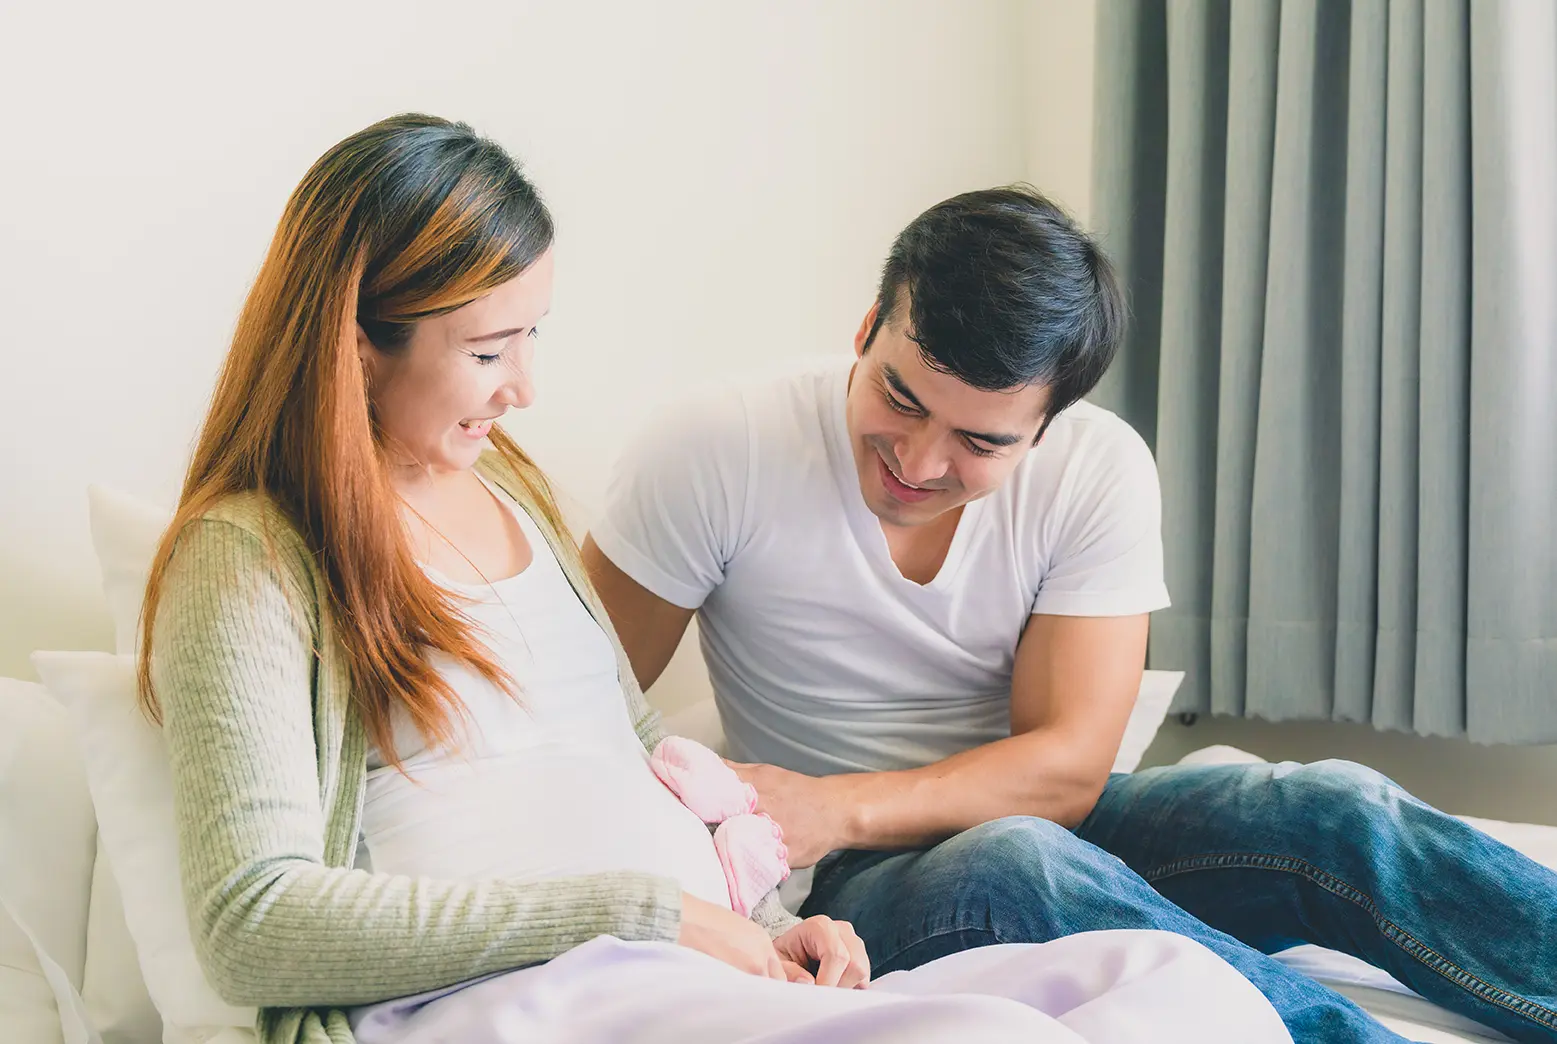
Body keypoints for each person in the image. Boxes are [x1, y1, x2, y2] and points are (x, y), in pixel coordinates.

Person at [138, 115, 1290, 1044]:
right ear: (355, 344)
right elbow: (253, 924)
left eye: (534, 337)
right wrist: (651, 912)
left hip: (687, 967)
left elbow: (633, 749)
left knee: (1177, 987)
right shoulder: (251, 557)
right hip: (526, 996)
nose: (525, 388)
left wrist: (772, 920)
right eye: (488, 351)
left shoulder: (512, 495)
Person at [583, 185, 1557, 1044]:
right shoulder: (719, 448)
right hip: (844, 885)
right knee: (1021, 863)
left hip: (1012, 827)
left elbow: (1065, 769)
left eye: (979, 443)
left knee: (1333, 807)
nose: (918, 462)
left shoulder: (1099, 470)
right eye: (899, 397)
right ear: (869, 325)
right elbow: (576, 704)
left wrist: (833, 804)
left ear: (1048, 425)